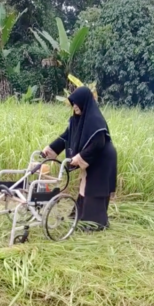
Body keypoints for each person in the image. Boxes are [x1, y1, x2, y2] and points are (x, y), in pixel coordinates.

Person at [43, 86, 118, 230]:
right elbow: (65, 137)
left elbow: (98, 143)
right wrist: (50, 149)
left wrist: (80, 157)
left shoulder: (95, 120)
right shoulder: (77, 120)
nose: (75, 106)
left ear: (84, 102)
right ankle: (81, 216)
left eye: (77, 103)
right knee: (86, 186)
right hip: (93, 157)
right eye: (73, 103)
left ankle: (94, 223)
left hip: (103, 158)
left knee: (94, 188)